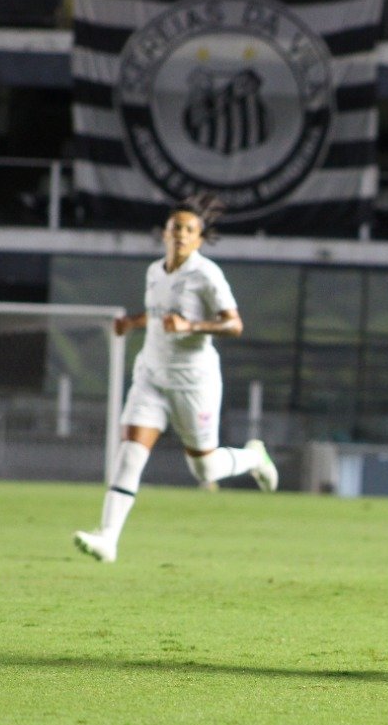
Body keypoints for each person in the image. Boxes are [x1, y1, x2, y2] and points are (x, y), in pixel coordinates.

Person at [73, 194, 279, 563]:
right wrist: (130, 322)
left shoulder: (206, 274)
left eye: (189, 230)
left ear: (199, 238)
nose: (181, 235)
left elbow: (234, 324)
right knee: (129, 453)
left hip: (193, 382)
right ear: (164, 234)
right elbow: (158, 315)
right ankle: (108, 538)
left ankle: (253, 456)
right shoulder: (154, 272)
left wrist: (192, 325)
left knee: (204, 467)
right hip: (151, 375)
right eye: (175, 228)